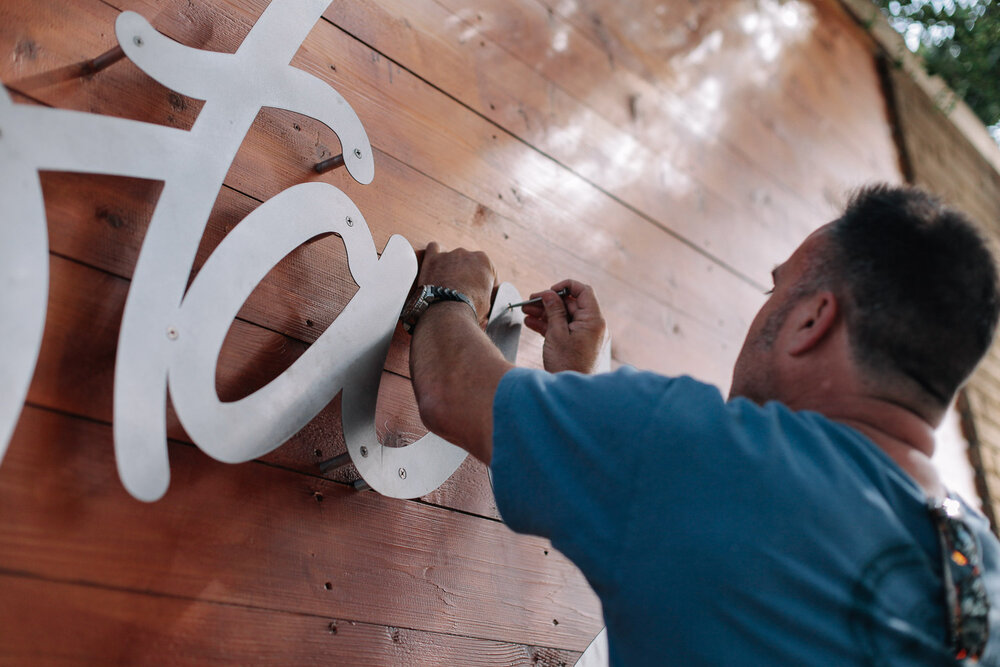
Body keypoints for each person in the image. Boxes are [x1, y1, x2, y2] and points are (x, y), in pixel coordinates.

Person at [404, 184, 1000, 665]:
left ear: (813, 318)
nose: (766, 304)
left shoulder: (722, 459)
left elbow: (452, 390)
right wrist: (586, 390)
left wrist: (450, 293)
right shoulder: (985, 569)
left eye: (778, 288)